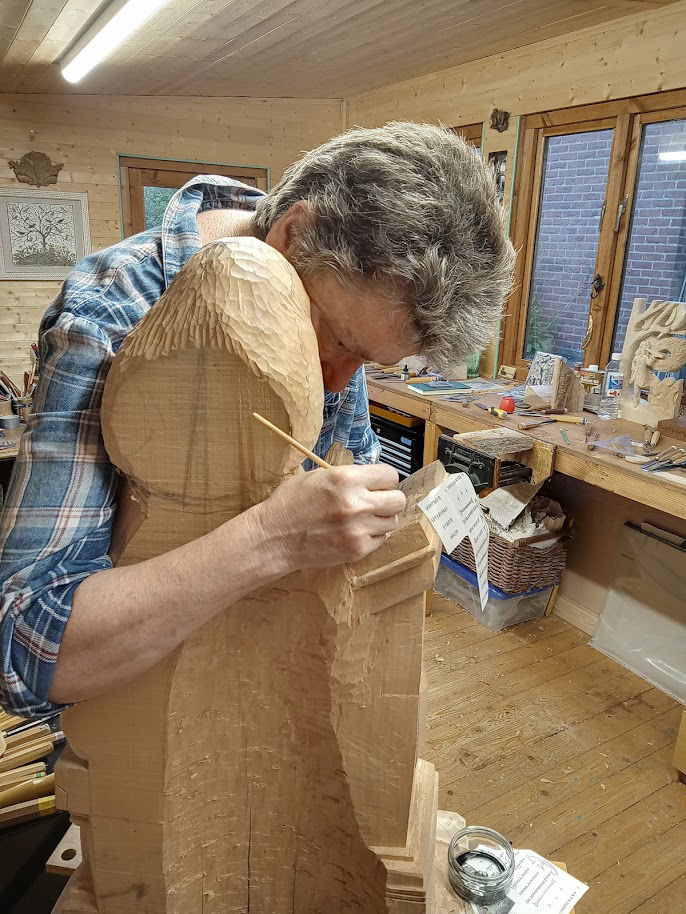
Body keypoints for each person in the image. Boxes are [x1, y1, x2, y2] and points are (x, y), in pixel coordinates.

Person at [0, 122, 515, 718]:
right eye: (341, 341)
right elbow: (24, 649)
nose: (337, 383)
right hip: (139, 716)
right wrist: (269, 538)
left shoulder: (335, 294)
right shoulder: (113, 315)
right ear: (294, 233)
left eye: (368, 361)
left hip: (271, 688)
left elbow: (350, 471)